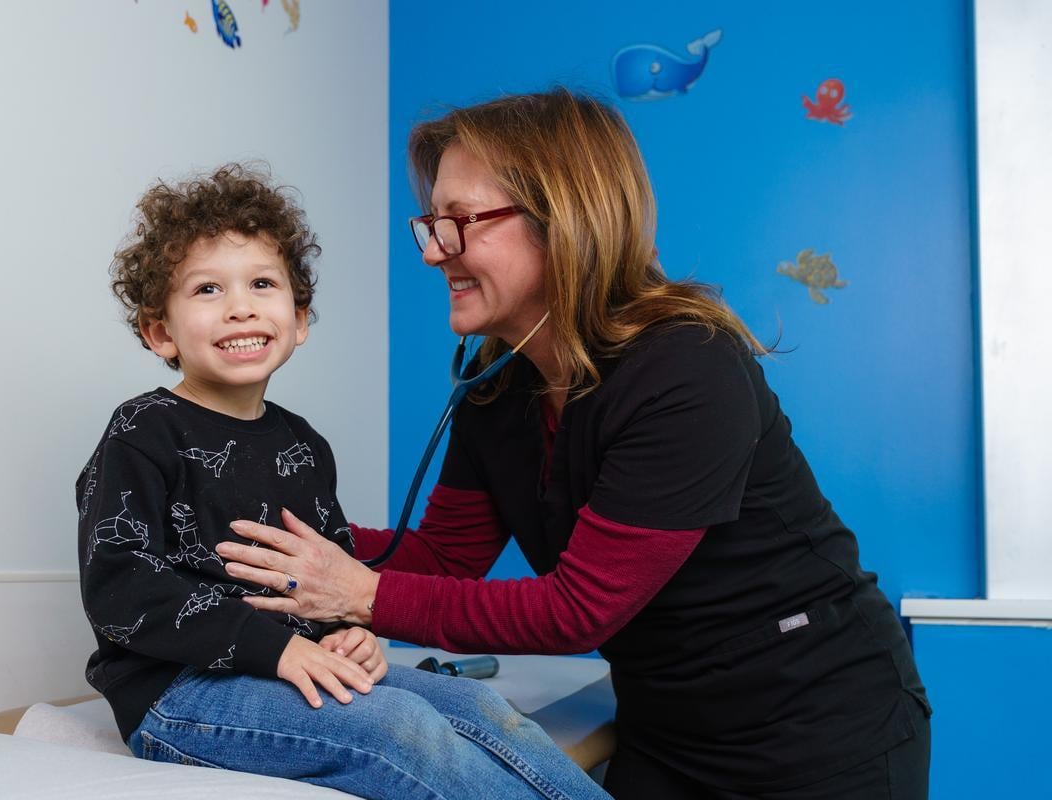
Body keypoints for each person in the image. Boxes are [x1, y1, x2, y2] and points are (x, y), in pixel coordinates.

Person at [215, 91, 934, 799]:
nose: (434, 252)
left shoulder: (687, 366)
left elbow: (579, 609)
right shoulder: (498, 379)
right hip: (667, 727)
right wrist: (267, 536)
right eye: (431, 225)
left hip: (819, 728)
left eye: (459, 222)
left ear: (565, 220)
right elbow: (445, 558)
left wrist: (359, 593)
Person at [76, 163, 610, 800]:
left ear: (300, 320)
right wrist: (278, 651)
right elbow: (121, 587)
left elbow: (327, 580)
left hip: (292, 666)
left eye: (262, 283)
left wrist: (351, 636)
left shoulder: (304, 446)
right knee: (398, 725)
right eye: (208, 289)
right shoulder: (142, 431)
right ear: (161, 332)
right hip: (181, 690)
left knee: (480, 706)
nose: (241, 306)